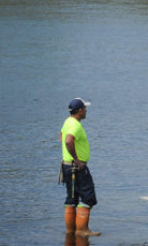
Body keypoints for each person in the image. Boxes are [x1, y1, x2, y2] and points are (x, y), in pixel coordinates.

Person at [60, 98, 100, 237]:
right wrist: (77, 160)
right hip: (76, 167)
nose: (86, 110)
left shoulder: (67, 121)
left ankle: (70, 232)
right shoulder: (75, 125)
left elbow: (61, 135)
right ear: (80, 111)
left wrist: (68, 154)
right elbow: (68, 140)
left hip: (67, 166)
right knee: (88, 197)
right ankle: (82, 230)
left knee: (71, 198)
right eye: (85, 108)